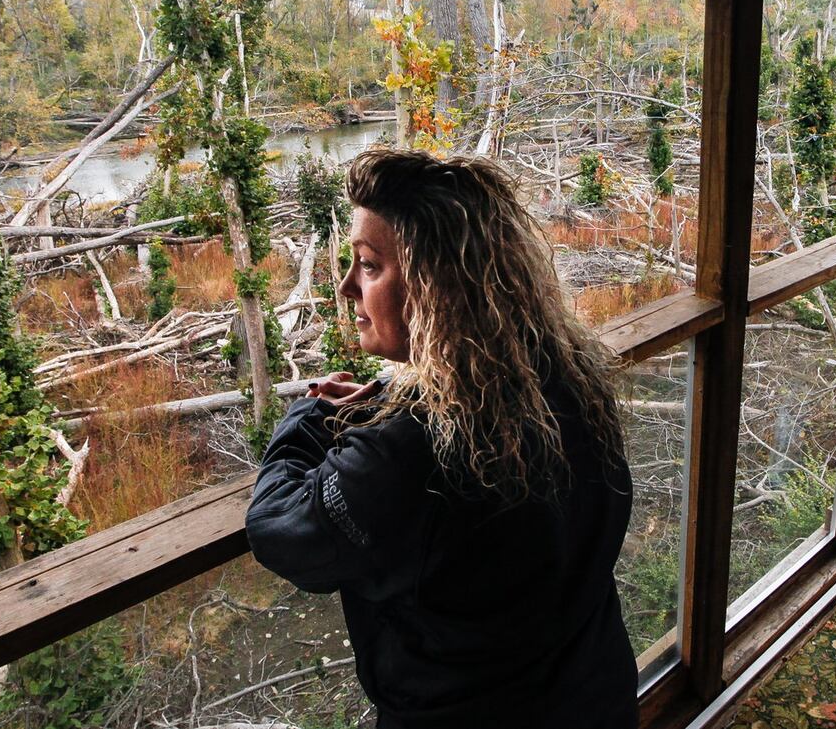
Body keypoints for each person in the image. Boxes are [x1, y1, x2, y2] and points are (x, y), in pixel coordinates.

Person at [246, 148, 638, 729]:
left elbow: (280, 530)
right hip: (594, 694)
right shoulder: (563, 377)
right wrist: (384, 398)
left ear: (438, 287)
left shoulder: (408, 455)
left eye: (370, 265)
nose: (348, 286)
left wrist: (306, 418)